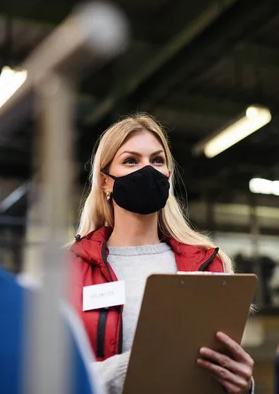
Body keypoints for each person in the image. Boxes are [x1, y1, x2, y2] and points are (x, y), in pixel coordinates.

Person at [69, 114, 255, 393]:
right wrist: (130, 368)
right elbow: (48, 373)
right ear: (105, 182)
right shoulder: (71, 269)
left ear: (168, 174)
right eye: (131, 161)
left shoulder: (207, 265)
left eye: (157, 160)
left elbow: (218, 365)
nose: (148, 170)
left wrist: (243, 386)